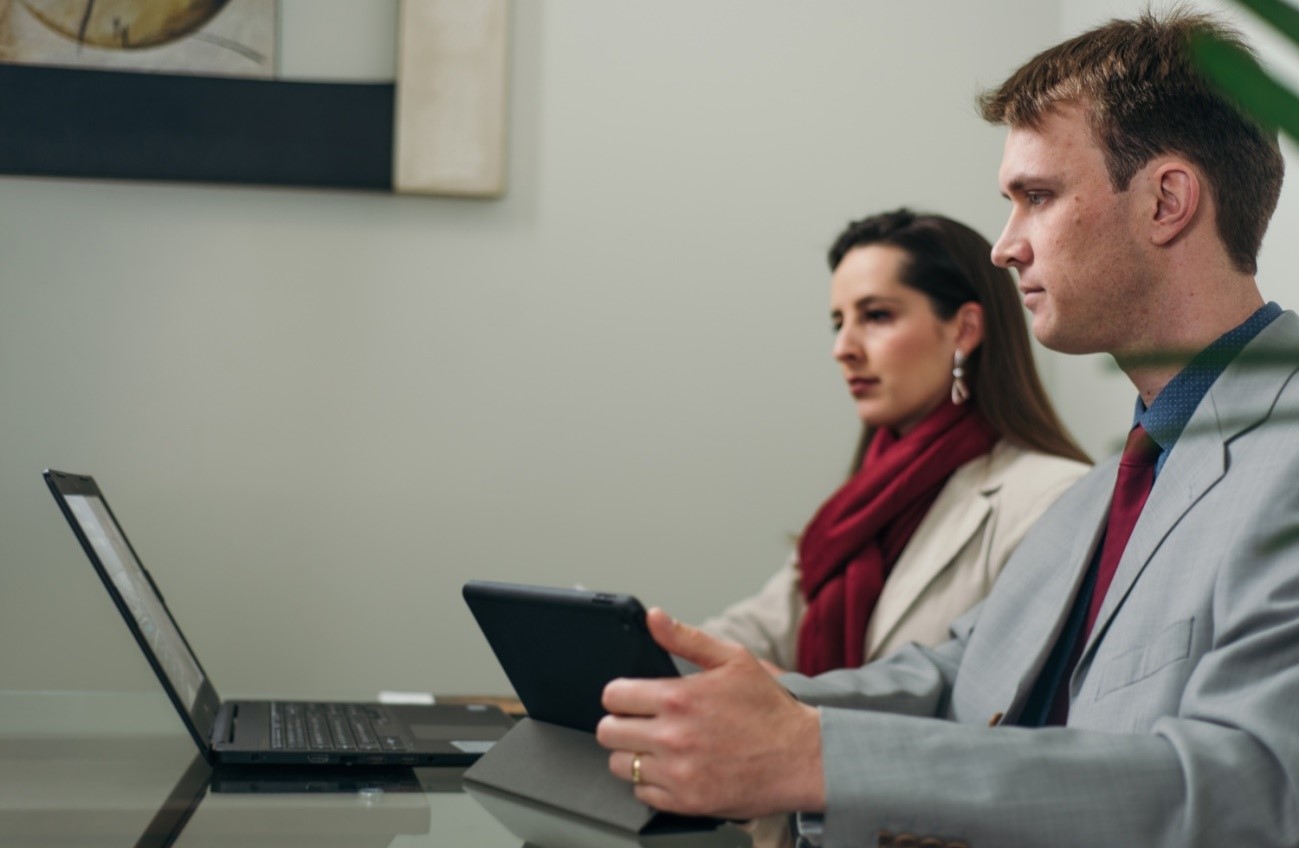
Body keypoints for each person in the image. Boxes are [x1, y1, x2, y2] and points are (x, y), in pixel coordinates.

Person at [596, 11, 1299, 847]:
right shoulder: (1107, 488)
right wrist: (732, 704)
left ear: (1165, 201)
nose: (1004, 248)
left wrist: (820, 759)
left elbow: (1249, 787)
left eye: (1035, 198)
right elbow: (958, 675)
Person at [699, 210, 1089, 675]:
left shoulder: (1055, 498)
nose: (843, 347)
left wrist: (785, 699)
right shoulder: (859, 507)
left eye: (876, 315)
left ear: (964, 330)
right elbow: (748, 636)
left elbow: (986, 701)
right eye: (838, 322)